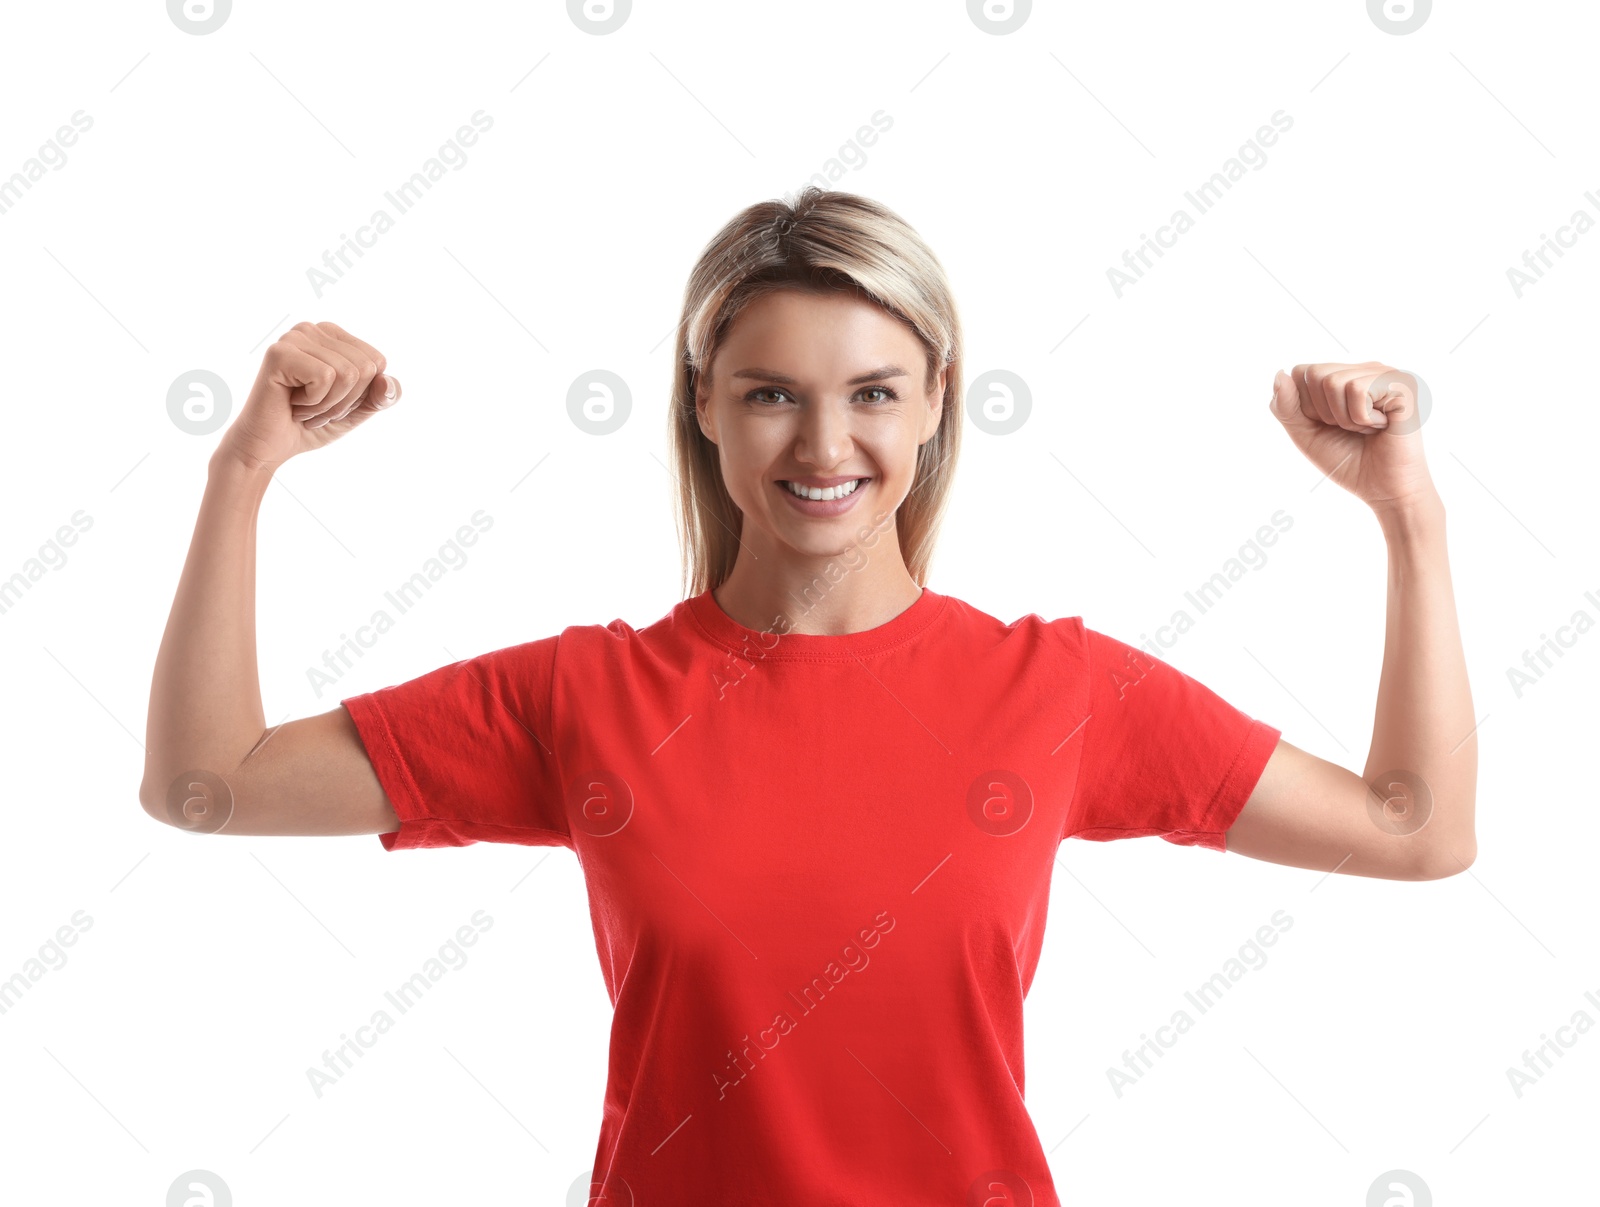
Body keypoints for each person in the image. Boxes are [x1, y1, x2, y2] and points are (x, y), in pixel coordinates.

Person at [139, 187, 1478, 1206]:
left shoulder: (1061, 689)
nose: (825, 445)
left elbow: (1417, 830)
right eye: (772, 393)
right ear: (705, 406)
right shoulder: (588, 696)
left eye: (874, 394)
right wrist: (244, 471)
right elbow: (208, 785)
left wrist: (1404, 515)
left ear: (938, 403)